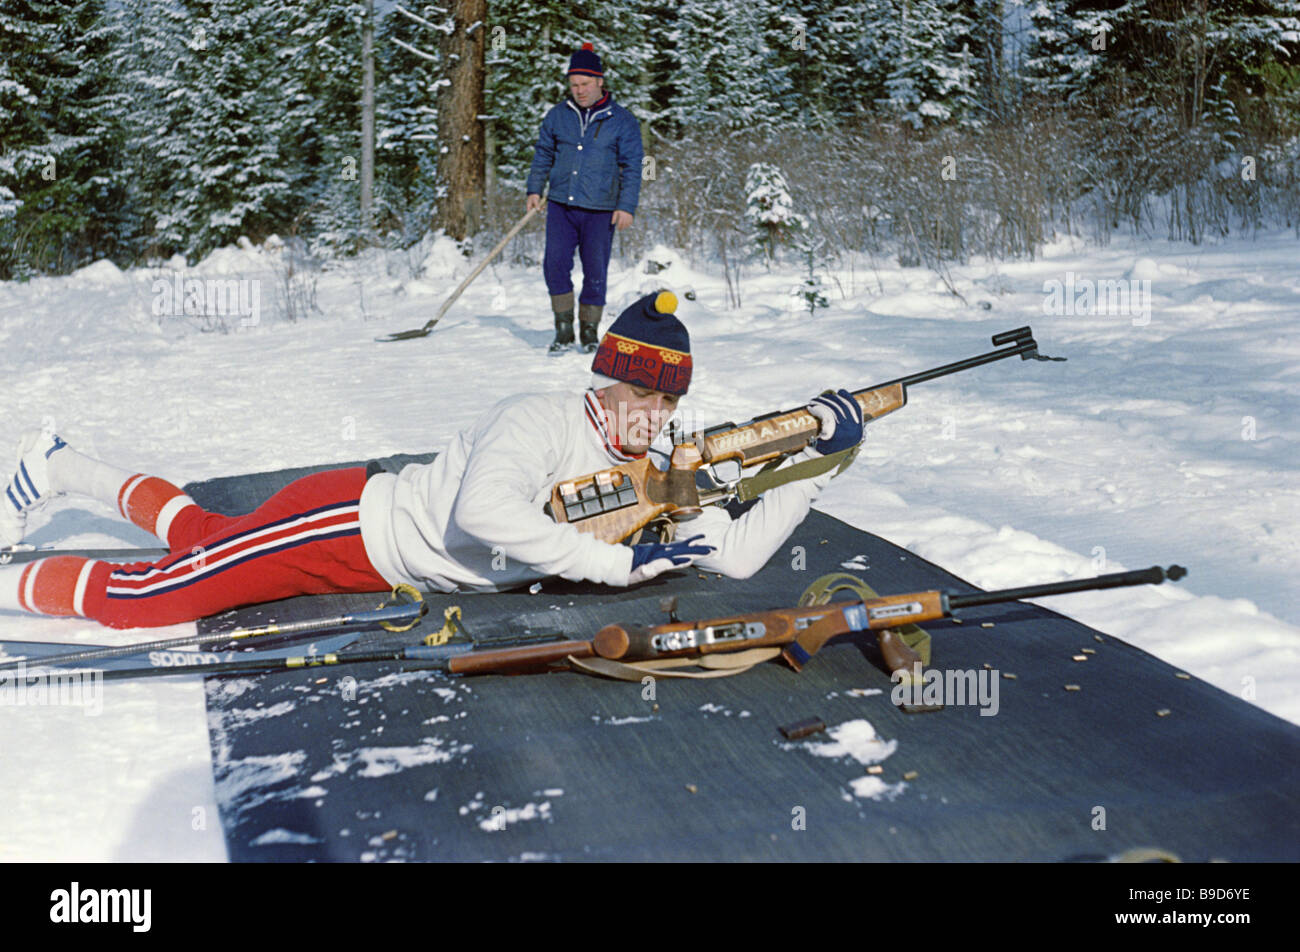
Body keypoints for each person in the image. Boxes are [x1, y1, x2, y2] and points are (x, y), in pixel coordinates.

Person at [0, 292, 863, 630]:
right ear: (603, 384)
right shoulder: (538, 419)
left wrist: (825, 455)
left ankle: (63, 463)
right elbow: (487, 514)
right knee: (161, 594)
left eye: (669, 407)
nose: (655, 422)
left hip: (364, 551)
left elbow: (738, 552)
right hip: (343, 523)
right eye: (643, 401)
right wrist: (616, 565)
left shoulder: (657, 477)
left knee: (202, 533)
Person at [525, 43, 643, 355]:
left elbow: (633, 166)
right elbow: (543, 155)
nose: (579, 90)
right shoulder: (557, 116)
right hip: (562, 206)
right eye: (574, 84)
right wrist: (534, 189)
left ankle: (589, 331)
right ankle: (563, 330)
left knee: (595, 270)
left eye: (585, 84)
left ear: (600, 82)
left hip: (601, 209)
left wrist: (626, 206)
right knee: (555, 265)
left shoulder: (622, 120)